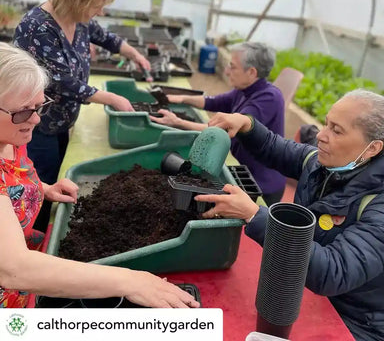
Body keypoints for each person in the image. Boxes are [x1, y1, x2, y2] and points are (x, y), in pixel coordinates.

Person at [0, 43, 199, 309]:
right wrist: (129, 281)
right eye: (24, 111)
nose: (36, 120)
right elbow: (16, 270)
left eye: (39, 105)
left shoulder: (11, 136)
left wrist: (43, 189)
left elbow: (12, 186)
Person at [195, 89, 384, 341]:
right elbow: (276, 148)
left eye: (336, 131)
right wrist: (247, 124)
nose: (321, 136)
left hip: (355, 323)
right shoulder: (322, 164)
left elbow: (332, 271)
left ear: (372, 148)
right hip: (300, 291)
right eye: (325, 124)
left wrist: (254, 215)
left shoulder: (378, 207)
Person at [14, 0, 151, 231]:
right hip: (35, 124)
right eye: (96, 5)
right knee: (40, 185)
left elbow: (107, 38)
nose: (100, 11)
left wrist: (135, 55)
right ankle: (35, 236)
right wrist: (112, 99)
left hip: (61, 120)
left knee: (56, 175)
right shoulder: (37, 28)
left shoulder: (78, 19)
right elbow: (63, 82)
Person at [150, 42, 285, 206]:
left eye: (232, 67)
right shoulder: (244, 90)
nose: (227, 71)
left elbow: (224, 130)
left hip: (261, 184)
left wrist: (177, 122)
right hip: (241, 168)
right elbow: (213, 102)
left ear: (251, 72)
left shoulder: (268, 98)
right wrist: (179, 98)